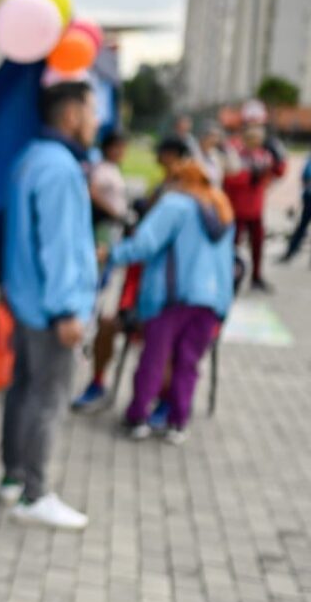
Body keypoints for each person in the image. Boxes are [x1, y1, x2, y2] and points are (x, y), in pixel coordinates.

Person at [0, 81, 98, 530]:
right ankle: (34, 494)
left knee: (23, 390)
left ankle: (13, 478)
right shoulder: (59, 168)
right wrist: (66, 310)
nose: (97, 122)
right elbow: (58, 247)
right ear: (72, 114)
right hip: (49, 307)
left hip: (25, 299)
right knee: (48, 398)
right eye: (92, 111)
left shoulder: (30, 158)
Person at [107, 160, 235, 444]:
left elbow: (144, 245)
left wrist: (109, 254)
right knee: (187, 363)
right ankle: (178, 421)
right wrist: (224, 305)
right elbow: (227, 264)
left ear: (177, 179)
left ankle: (138, 416)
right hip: (210, 302)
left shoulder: (175, 204)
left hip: (170, 298)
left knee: (155, 358)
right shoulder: (222, 208)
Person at [73, 129, 130, 412]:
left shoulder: (113, 169)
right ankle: (84, 330)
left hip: (112, 236)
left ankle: (87, 328)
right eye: (118, 146)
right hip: (104, 234)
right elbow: (91, 192)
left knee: (102, 286)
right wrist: (115, 213)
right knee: (94, 284)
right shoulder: (100, 169)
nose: (122, 151)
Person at [224, 125, 281, 291]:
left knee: (257, 244)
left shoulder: (263, 155)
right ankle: (228, 276)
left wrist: (278, 161)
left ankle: (256, 276)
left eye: (259, 138)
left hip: (255, 208)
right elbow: (229, 180)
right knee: (232, 245)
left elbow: (275, 174)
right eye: (253, 137)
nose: (257, 141)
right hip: (238, 209)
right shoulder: (236, 156)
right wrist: (249, 177)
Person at [279, 157, 311, 263]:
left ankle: (291, 251)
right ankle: (291, 251)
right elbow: (305, 177)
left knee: (301, 226)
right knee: (302, 226)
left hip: (308, 196)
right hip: (308, 197)